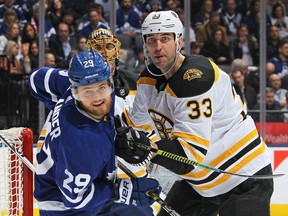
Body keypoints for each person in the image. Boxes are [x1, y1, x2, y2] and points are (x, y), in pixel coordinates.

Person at [114, 10, 274, 216]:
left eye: (165, 38)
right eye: (151, 40)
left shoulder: (196, 78)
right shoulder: (148, 80)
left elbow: (189, 157)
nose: (158, 47)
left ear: (179, 40)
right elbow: (134, 128)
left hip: (243, 177)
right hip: (200, 185)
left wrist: (148, 149)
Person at [32, 50, 159, 215]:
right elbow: (75, 199)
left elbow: (37, 79)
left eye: (102, 88)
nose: (97, 98)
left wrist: (57, 108)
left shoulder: (70, 82)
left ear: (109, 82)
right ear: (75, 91)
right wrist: (120, 191)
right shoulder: (81, 142)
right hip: (65, 208)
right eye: (88, 92)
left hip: (79, 174)